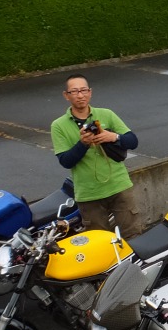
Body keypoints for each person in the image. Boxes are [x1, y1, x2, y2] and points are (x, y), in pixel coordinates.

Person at [50, 73, 140, 237]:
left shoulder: (106, 114)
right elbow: (65, 161)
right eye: (74, 91)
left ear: (90, 92)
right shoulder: (58, 125)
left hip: (119, 186)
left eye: (84, 90)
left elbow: (133, 141)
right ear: (66, 95)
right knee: (99, 242)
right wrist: (83, 144)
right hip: (89, 194)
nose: (80, 95)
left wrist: (113, 136)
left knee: (132, 235)